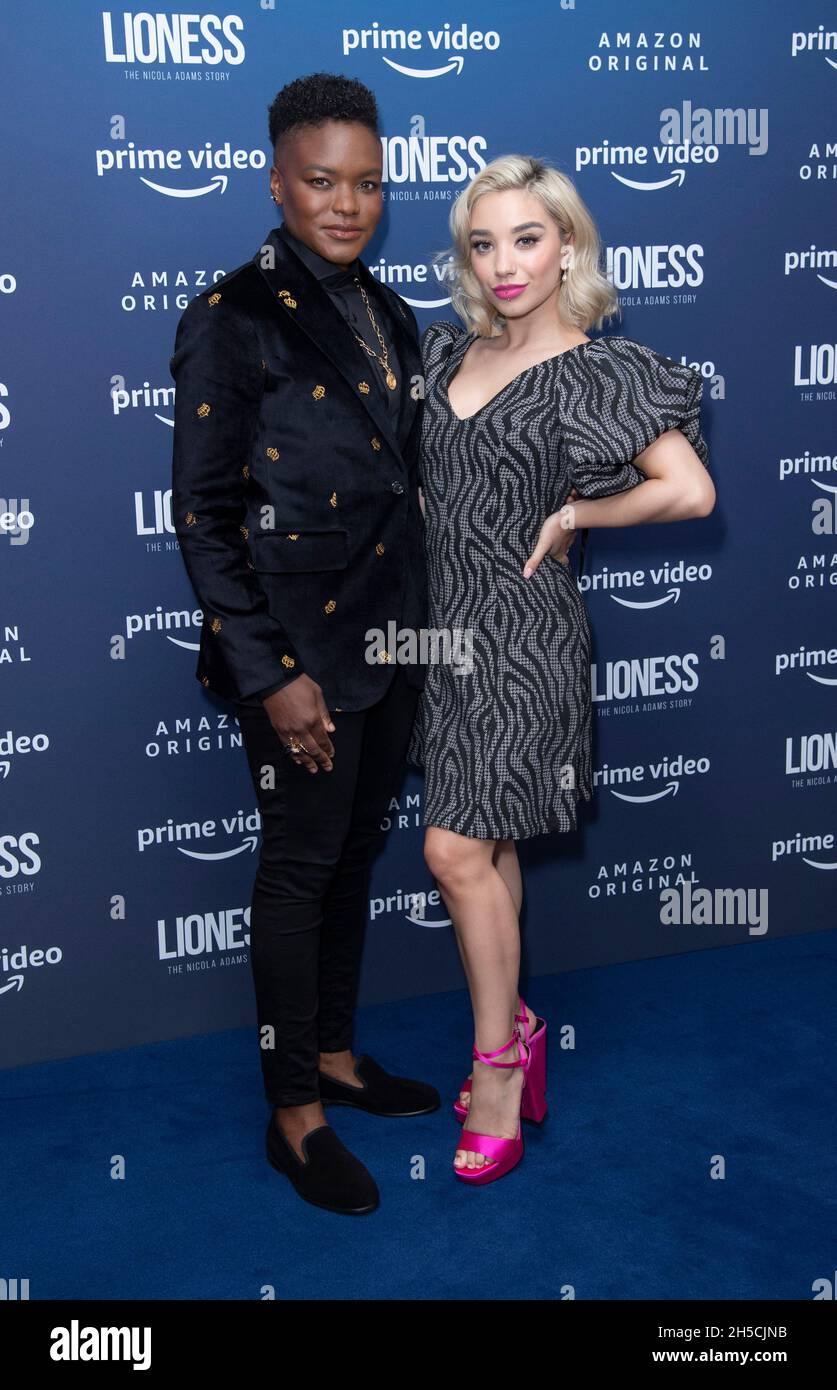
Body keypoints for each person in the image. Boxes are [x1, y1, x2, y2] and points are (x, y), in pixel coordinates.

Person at [407, 154, 715, 1186]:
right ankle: (517, 1028)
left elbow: (690, 490)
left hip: (525, 637)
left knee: (453, 851)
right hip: (441, 637)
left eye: (526, 238)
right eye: (483, 242)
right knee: (481, 858)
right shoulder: (447, 350)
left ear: (567, 245)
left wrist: (581, 510)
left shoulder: (599, 369)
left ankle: (497, 1068)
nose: (504, 263)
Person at [170, 72, 439, 1217]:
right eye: (322, 181)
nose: (347, 203)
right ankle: (295, 1114)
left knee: (349, 863)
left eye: (367, 183)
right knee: (296, 875)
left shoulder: (390, 310)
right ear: (276, 179)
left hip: (392, 646)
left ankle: (334, 1054)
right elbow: (204, 515)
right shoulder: (233, 314)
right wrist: (271, 675)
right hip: (296, 660)